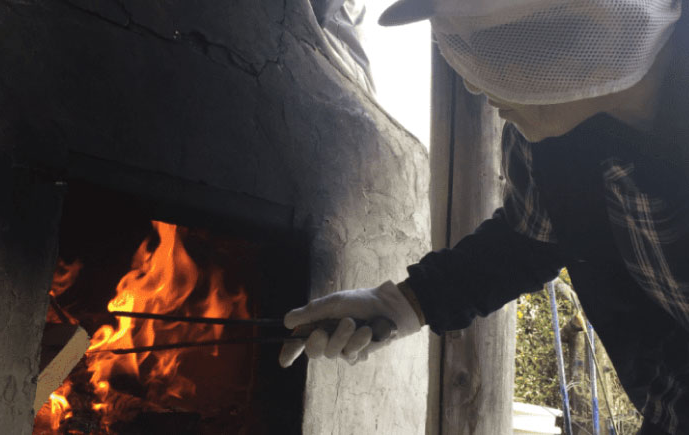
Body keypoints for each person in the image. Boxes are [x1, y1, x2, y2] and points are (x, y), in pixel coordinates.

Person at [280, 0, 689, 433]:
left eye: (489, 42)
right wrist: (398, 305)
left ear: (589, 22)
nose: (474, 82)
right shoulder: (549, 142)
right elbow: (525, 244)